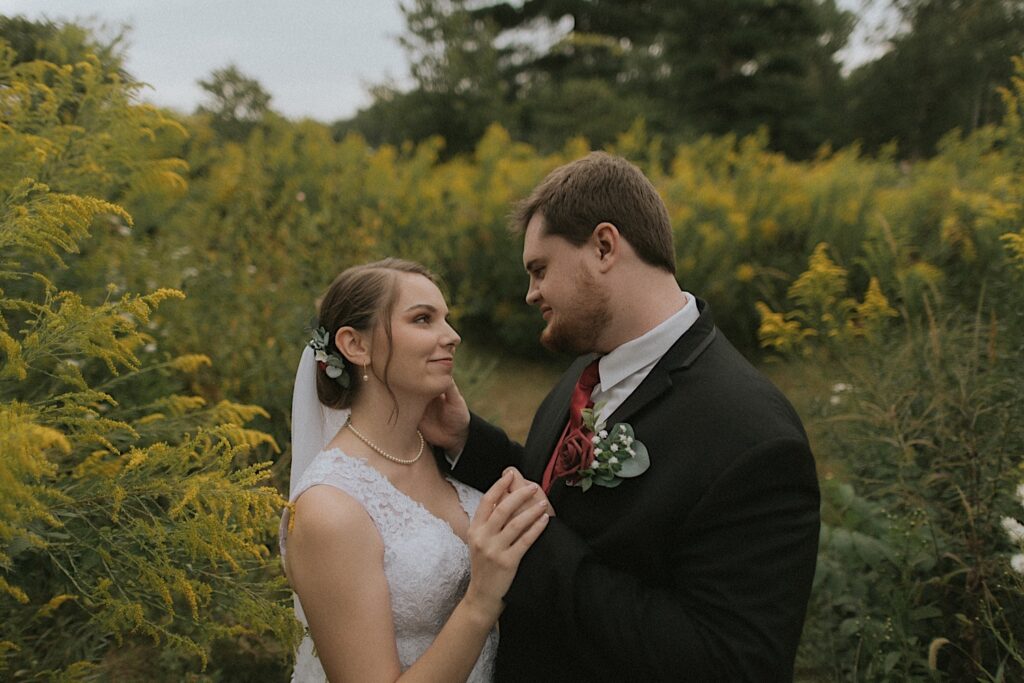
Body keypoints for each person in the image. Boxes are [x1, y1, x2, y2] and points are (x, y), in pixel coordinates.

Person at [420, 152, 821, 681]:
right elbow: (558, 493)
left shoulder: (755, 439)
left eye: (540, 269)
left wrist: (537, 546)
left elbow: (731, 662)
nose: (530, 292)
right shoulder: (591, 367)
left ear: (605, 247)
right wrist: (469, 442)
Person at [280, 258, 551, 683]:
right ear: (356, 346)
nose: (453, 336)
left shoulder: (444, 451)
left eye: (446, 319)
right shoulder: (329, 510)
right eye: (423, 319)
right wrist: (482, 599)